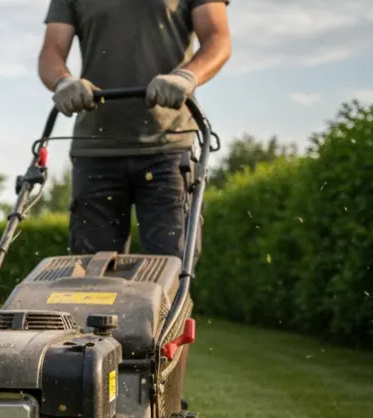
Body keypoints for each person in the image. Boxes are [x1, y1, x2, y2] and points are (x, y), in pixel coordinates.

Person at [38, 0, 232, 259]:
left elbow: (218, 38)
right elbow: (51, 52)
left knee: (171, 271)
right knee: (88, 278)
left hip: (169, 148)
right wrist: (63, 82)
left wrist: (186, 76)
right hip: (96, 150)